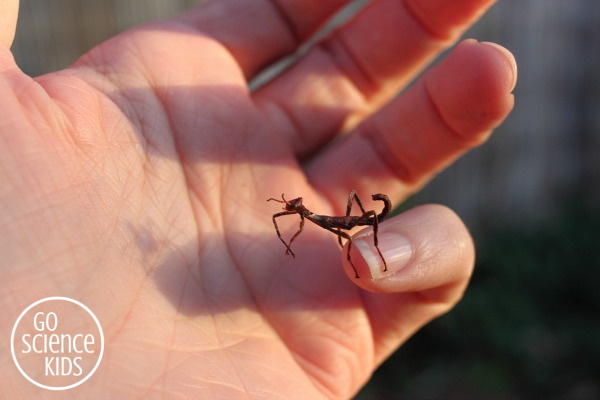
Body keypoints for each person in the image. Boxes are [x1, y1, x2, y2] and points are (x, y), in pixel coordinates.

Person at [0, 0, 516, 397]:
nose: (289, 213)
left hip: (347, 227)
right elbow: (289, 221)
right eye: (291, 213)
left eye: (292, 212)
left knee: (364, 232)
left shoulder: (317, 221)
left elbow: (299, 224)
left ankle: (378, 241)